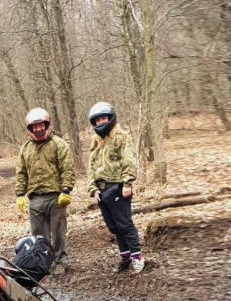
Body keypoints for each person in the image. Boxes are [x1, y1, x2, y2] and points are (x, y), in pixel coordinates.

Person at [15, 108, 74, 275]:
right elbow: (21, 173)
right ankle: (42, 263)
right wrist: (19, 195)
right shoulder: (25, 149)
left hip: (56, 196)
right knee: (38, 236)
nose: (39, 129)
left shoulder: (58, 144)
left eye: (41, 125)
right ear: (30, 129)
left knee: (58, 232)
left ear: (47, 124)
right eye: (35, 127)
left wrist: (66, 190)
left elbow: (67, 168)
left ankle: (60, 261)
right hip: (35, 199)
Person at [87, 101, 144, 273]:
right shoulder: (96, 141)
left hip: (118, 186)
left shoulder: (122, 136)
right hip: (102, 190)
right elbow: (91, 166)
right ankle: (125, 256)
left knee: (124, 224)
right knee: (113, 226)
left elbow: (129, 161)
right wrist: (92, 189)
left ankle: (137, 257)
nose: (101, 122)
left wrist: (127, 183)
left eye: (104, 118)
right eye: (97, 120)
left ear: (110, 118)